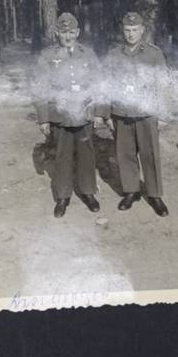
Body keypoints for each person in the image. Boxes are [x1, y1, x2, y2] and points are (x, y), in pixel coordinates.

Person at [31, 12, 103, 218]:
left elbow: (100, 84)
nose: (68, 36)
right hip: (60, 115)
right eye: (64, 32)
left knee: (87, 154)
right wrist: (43, 118)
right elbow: (40, 88)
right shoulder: (47, 56)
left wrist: (99, 113)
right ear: (57, 33)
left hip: (84, 114)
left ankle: (88, 192)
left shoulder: (88, 54)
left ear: (77, 32)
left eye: (71, 32)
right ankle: (63, 196)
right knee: (62, 156)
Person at [102, 12, 170, 217]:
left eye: (134, 30)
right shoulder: (113, 55)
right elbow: (106, 86)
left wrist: (163, 115)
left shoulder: (154, 54)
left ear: (142, 31)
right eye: (127, 30)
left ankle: (155, 195)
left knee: (150, 155)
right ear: (123, 31)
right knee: (125, 155)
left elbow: (163, 85)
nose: (130, 34)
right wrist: (106, 114)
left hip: (147, 114)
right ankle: (131, 191)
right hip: (121, 114)